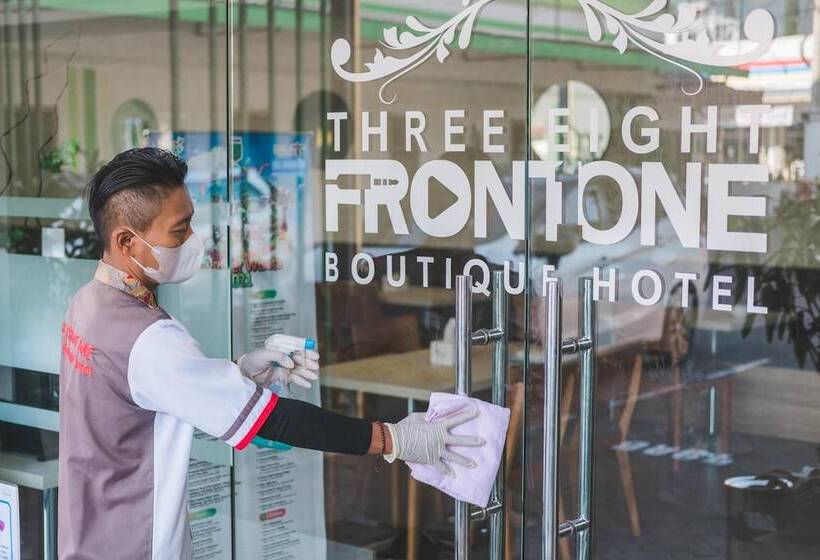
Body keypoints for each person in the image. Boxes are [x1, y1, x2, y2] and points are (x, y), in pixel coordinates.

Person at [58, 148, 484, 559]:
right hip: (136, 545)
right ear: (127, 241)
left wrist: (238, 371)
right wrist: (393, 439)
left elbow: (142, 388)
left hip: (89, 537)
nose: (193, 240)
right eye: (179, 230)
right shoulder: (148, 338)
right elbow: (275, 420)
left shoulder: (88, 304)